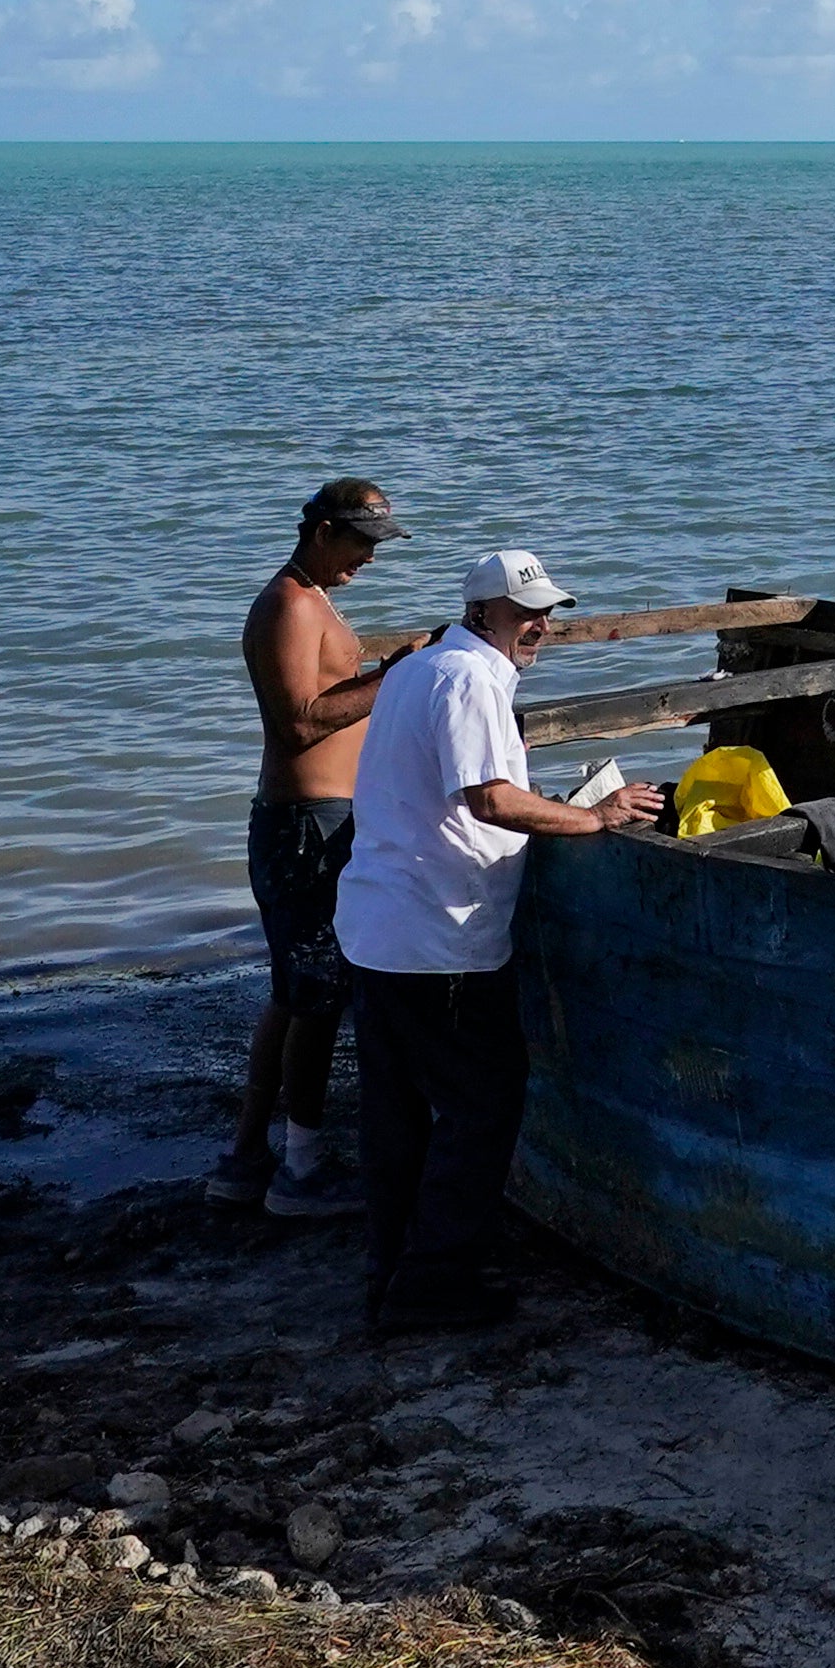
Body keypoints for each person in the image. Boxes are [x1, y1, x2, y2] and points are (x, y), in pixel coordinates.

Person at [334, 547, 665, 1333]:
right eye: (525, 613)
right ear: (482, 612)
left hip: (380, 928)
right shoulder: (470, 678)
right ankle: (434, 1281)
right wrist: (592, 816)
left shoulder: (420, 667)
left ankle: (390, 1269)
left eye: (547, 612)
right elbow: (488, 799)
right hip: (439, 935)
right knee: (482, 1106)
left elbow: (458, 788)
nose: (540, 625)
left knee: (396, 1114)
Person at [222, 476, 441, 1222]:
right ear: (322, 532)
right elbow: (299, 725)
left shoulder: (313, 598)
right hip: (305, 825)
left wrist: (388, 672)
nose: (369, 560)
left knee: (294, 993)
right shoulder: (287, 605)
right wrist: (394, 677)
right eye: (361, 544)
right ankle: (301, 1172)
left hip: (316, 819)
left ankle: (248, 1158)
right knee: (316, 999)